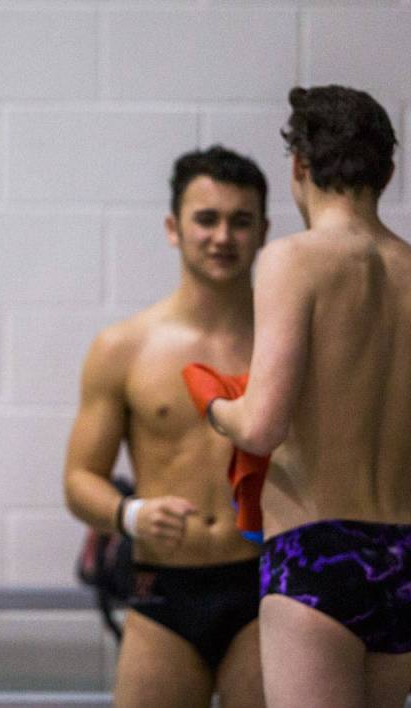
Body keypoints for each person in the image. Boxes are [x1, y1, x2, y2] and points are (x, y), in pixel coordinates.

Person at [199, 85, 411, 707]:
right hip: (404, 553)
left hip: (318, 555)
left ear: (299, 166)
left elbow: (261, 424)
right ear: (388, 171)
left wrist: (214, 405)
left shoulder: (294, 258)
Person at [64, 146, 269, 707]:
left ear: (264, 231)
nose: (223, 236)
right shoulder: (124, 348)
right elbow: (80, 481)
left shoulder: (287, 344)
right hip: (165, 589)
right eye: (207, 218)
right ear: (174, 228)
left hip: (265, 585)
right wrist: (130, 515)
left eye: (240, 221)